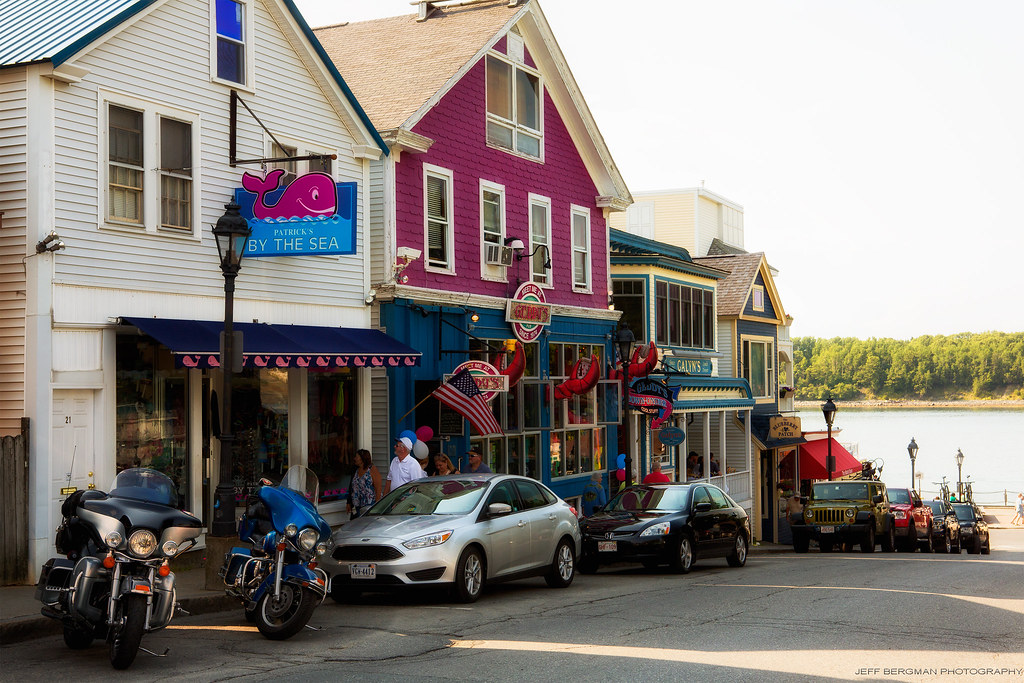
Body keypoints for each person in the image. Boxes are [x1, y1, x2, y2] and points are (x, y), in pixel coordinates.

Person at [346, 448, 381, 519]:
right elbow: (351, 487)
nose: (354, 459)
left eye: (356, 457)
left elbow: (378, 488)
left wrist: (377, 505)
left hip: (370, 504)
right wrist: (349, 502)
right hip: (358, 504)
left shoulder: (372, 469)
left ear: (362, 459)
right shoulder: (355, 470)